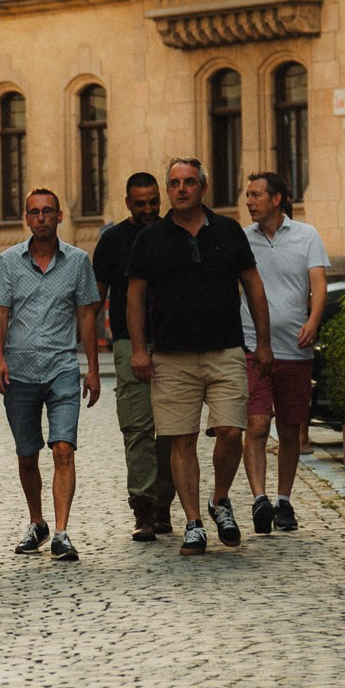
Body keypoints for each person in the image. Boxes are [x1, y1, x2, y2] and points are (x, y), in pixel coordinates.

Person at [126, 157, 273, 556]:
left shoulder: (227, 230)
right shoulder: (151, 239)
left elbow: (254, 286)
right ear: (168, 189)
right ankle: (193, 522)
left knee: (231, 431)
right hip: (171, 357)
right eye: (175, 183)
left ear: (203, 188)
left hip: (225, 349)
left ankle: (219, 499)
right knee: (182, 440)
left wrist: (263, 343)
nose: (182, 189)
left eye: (189, 182)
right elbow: (135, 297)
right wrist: (139, 350)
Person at [0, 188, 101, 562]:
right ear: (26, 218)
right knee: (27, 455)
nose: (41, 218)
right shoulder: (8, 261)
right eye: (34, 212)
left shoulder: (78, 262)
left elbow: (86, 314)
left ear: (59, 216)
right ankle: (37, 522)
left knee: (63, 448)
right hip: (19, 372)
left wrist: (93, 369)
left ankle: (62, 533)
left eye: (47, 211)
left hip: (62, 368)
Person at [239, 172, 330, 534]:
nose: (249, 201)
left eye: (255, 195)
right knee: (258, 424)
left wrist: (313, 321)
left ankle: (284, 500)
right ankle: (260, 499)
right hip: (253, 347)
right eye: (247, 195)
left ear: (276, 199)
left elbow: (319, 284)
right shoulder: (243, 239)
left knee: (290, 429)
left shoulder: (307, 236)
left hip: (295, 348)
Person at [92, 172, 175, 541]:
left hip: (173, 343)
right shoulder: (112, 240)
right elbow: (96, 298)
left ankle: (164, 505)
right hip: (128, 343)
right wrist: (89, 351)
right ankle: (143, 507)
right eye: (140, 204)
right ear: (128, 203)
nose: (148, 209)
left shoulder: (173, 233)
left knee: (172, 430)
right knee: (138, 429)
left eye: (153, 202)